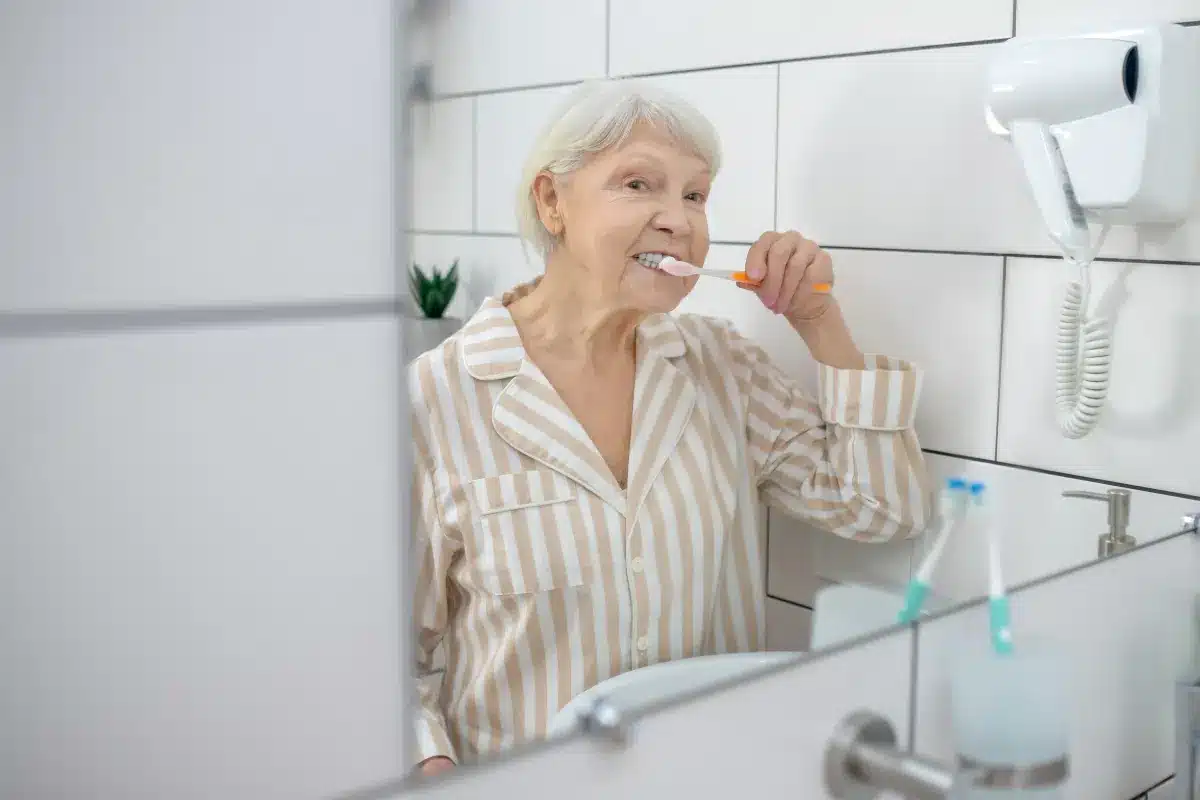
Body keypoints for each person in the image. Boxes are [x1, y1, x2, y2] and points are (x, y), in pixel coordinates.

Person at [408, 79, 932, 776]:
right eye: (638, 184)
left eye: (695, 195)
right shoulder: (433, 399)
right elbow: (386, 660)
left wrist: (821, 325)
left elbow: (883, 510)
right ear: (551, 200)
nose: (678, 219)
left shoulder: (723, 370)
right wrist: (431, 767)